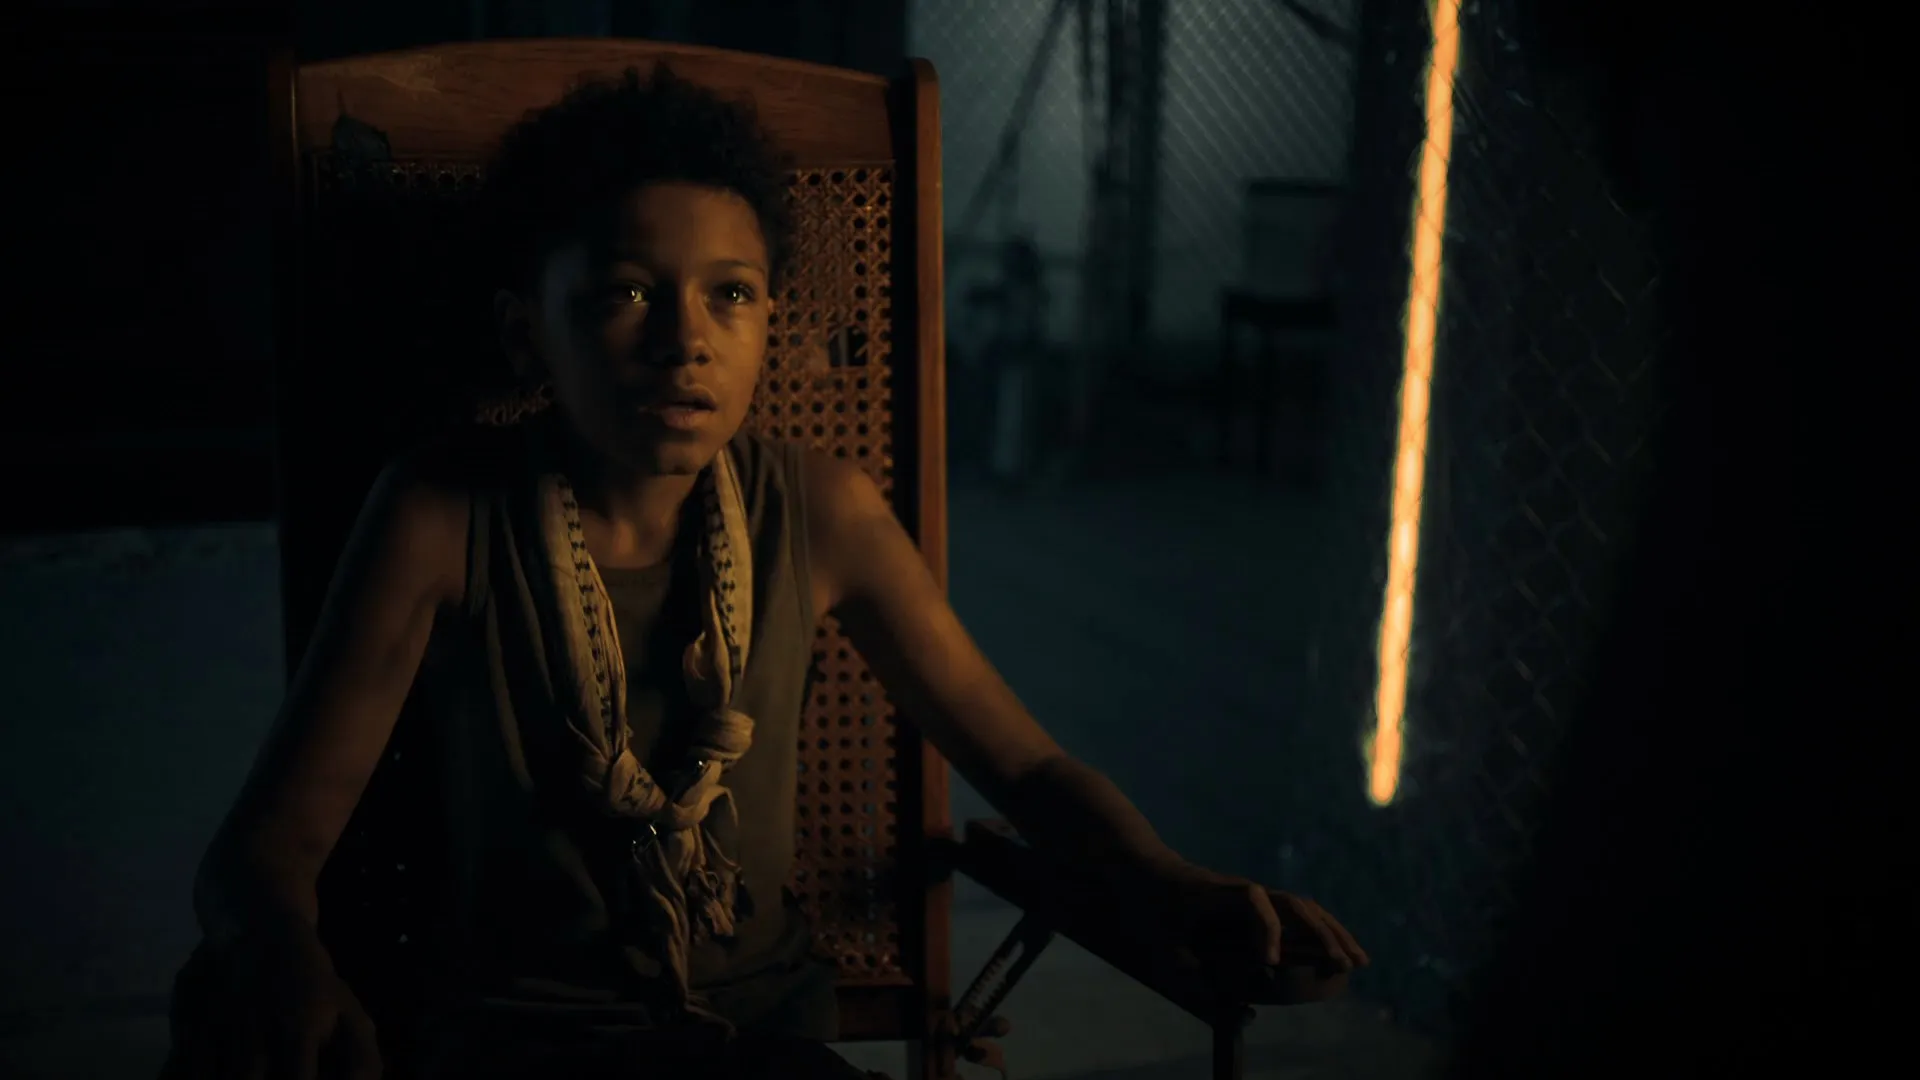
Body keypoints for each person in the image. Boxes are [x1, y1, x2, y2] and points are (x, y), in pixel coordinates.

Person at [162, 64, 1366, 1080]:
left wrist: (1167, 882)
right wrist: (289, 961)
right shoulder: (443, 516)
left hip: (757, 1046)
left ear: (767, 324)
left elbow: (1028, 768)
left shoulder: (821, 512)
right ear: (529, 332)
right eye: (627, 293)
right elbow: (262, 855)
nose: (685, 339)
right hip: (518, 1044)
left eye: (729, 295)